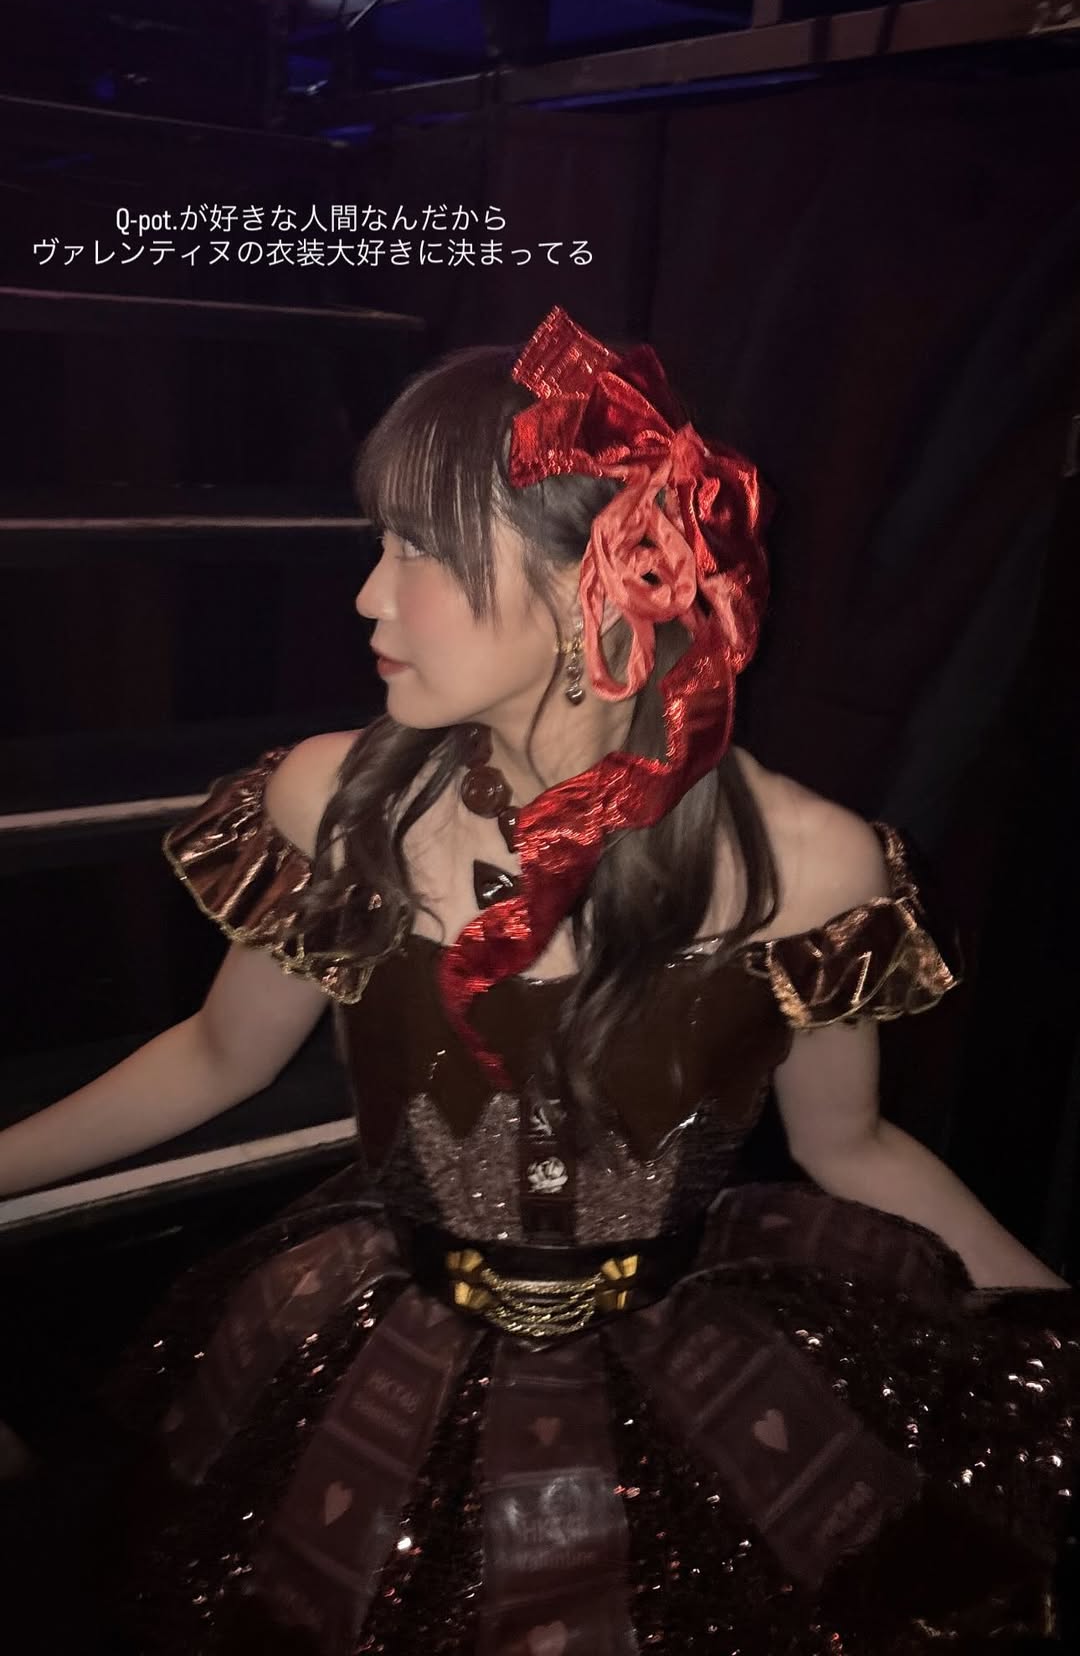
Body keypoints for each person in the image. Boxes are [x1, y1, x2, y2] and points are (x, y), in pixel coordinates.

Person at [0, 303, 1076, 1655]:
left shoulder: (811, 864)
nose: (368, 596)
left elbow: (850, 1146)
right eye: (380, 543)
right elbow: (220, 1057)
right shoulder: (338, 802)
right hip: (377, 1333)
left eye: (421, 550)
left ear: (594, 584)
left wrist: (1056, 1314)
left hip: (688, 1363)